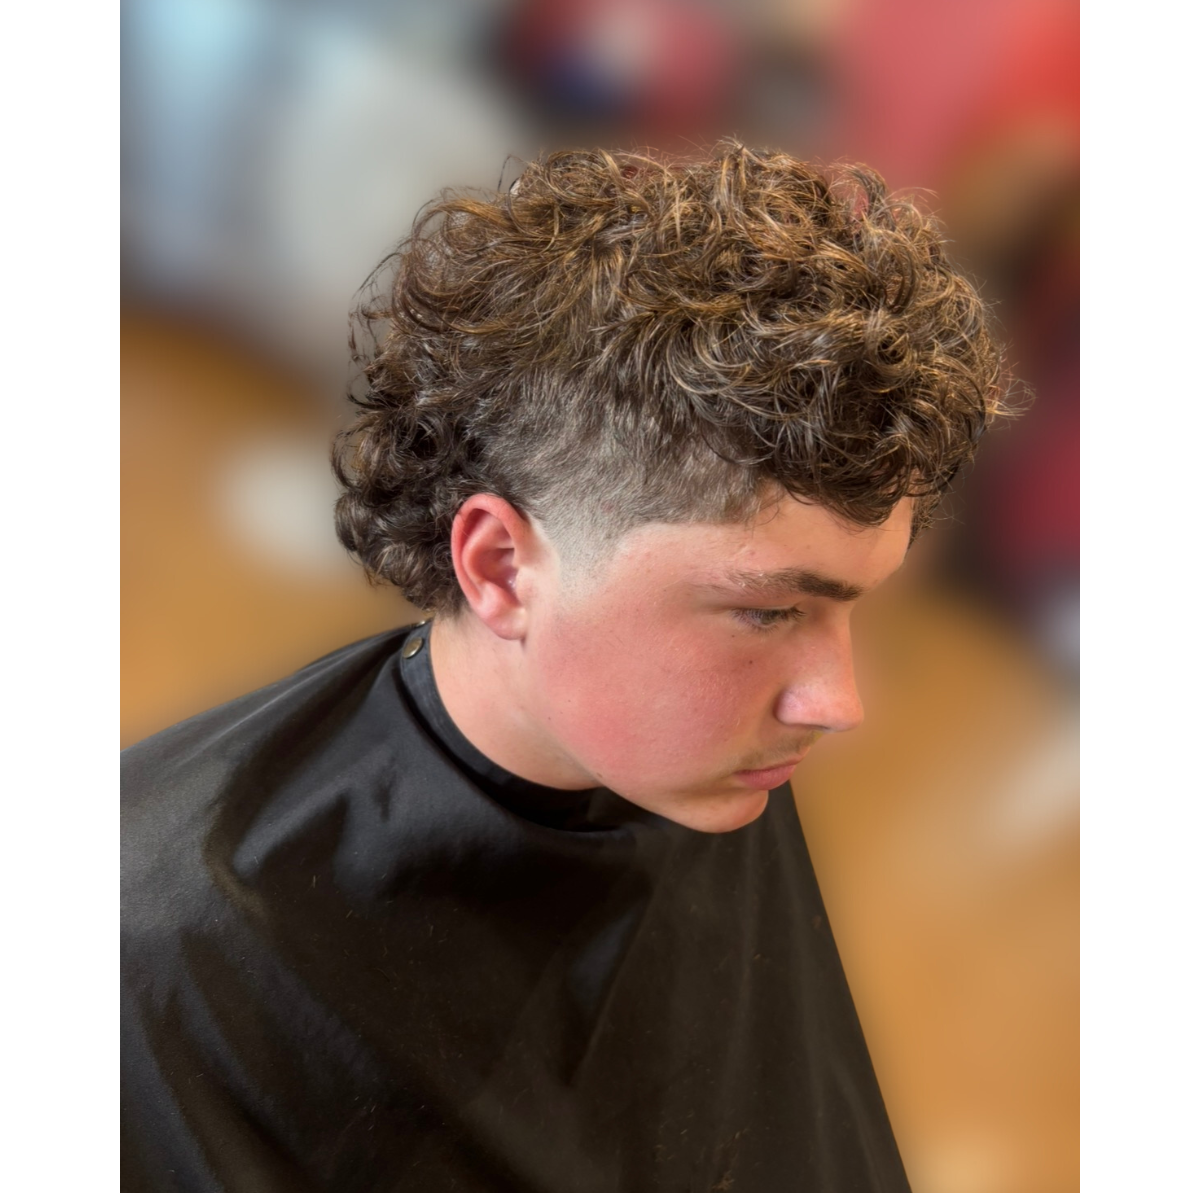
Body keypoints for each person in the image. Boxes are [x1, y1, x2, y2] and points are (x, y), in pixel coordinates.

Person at [122, 142, 1005, 1192]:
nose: (839, 703)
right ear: (500, 566)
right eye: (768, 611)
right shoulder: (167, 953)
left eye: (853, 610)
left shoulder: (694, 768)